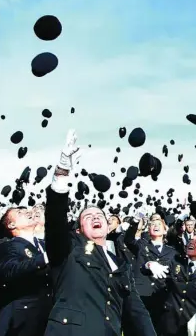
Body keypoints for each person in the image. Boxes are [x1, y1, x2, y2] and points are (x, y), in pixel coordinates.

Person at [44, 129, 156, 336]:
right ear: (78, 229)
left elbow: (136, 312)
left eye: (99, 215)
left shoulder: (120, 263)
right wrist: (62, 173)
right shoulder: (69, 248)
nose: (95, 217)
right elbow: (55, 224)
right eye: (88, 216)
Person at [144, 232, 196, 336]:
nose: (191, 243)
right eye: (190, 241)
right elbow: (146, 270)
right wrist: (149, 264)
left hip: (191, 324)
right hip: (169, 321)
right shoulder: (176, 261)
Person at [0, 206, 52, 336]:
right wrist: (43, 259)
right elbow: (10, 270)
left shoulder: (44, 245)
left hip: (48, 315)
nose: (28, 212)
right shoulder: (8, 246)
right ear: (12, 224)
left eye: (27, 210)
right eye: (20, 212)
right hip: (23, 317)